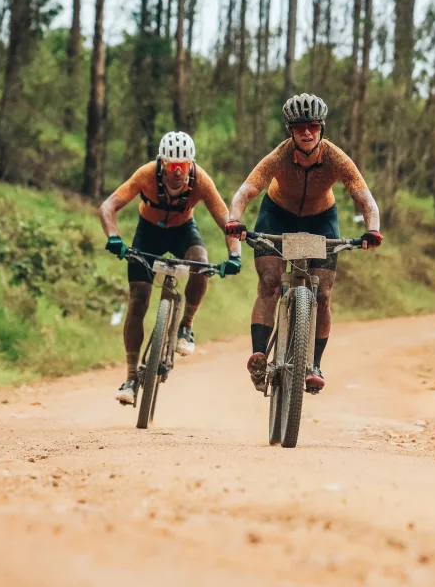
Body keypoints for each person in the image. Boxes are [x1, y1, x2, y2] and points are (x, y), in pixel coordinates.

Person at [224, 93, 382, 395]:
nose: (306, 133)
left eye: (312, 126)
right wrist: (234, 220)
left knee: (322, 294)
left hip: (321, 219)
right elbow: (245, 191)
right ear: (290, 130)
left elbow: (366, 201)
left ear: (321, 127)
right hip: (276, 215)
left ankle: (314, 365)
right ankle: (259, 356)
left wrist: (372, 229)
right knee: (269, 283)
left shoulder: (336, 158)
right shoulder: (279, 156)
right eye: (299, 127)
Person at [99, 131, 241, 404]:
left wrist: (234, 254)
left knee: (200, 262)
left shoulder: (201, 181)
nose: (178, 172)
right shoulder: (146, 175)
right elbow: (108, 207)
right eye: (172, 166)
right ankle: (130, 377)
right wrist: (114, 237)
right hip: (148, 233)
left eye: (184, 166)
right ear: (161, 164)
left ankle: (186, 326)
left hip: (183, 231)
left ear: (191, 164)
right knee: (138, 301)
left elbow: (228, 222)